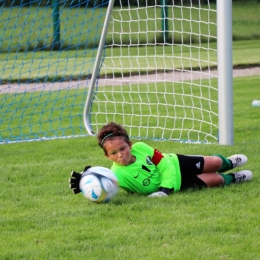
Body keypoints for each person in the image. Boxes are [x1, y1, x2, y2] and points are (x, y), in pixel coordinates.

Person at [70, 122, 253, 197]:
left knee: (215, 163)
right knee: (217, 179)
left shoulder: (142, 148)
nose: (120, 155)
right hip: (179, 184)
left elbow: (164, 163)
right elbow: (105, 182)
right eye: (113, 153)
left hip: (176, 163)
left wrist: (165, 190)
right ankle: (234, 178)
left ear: (130, 145)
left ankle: (229, 163)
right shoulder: (117, 174)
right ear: (106, 156)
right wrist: (87, 181)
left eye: (123, 149)